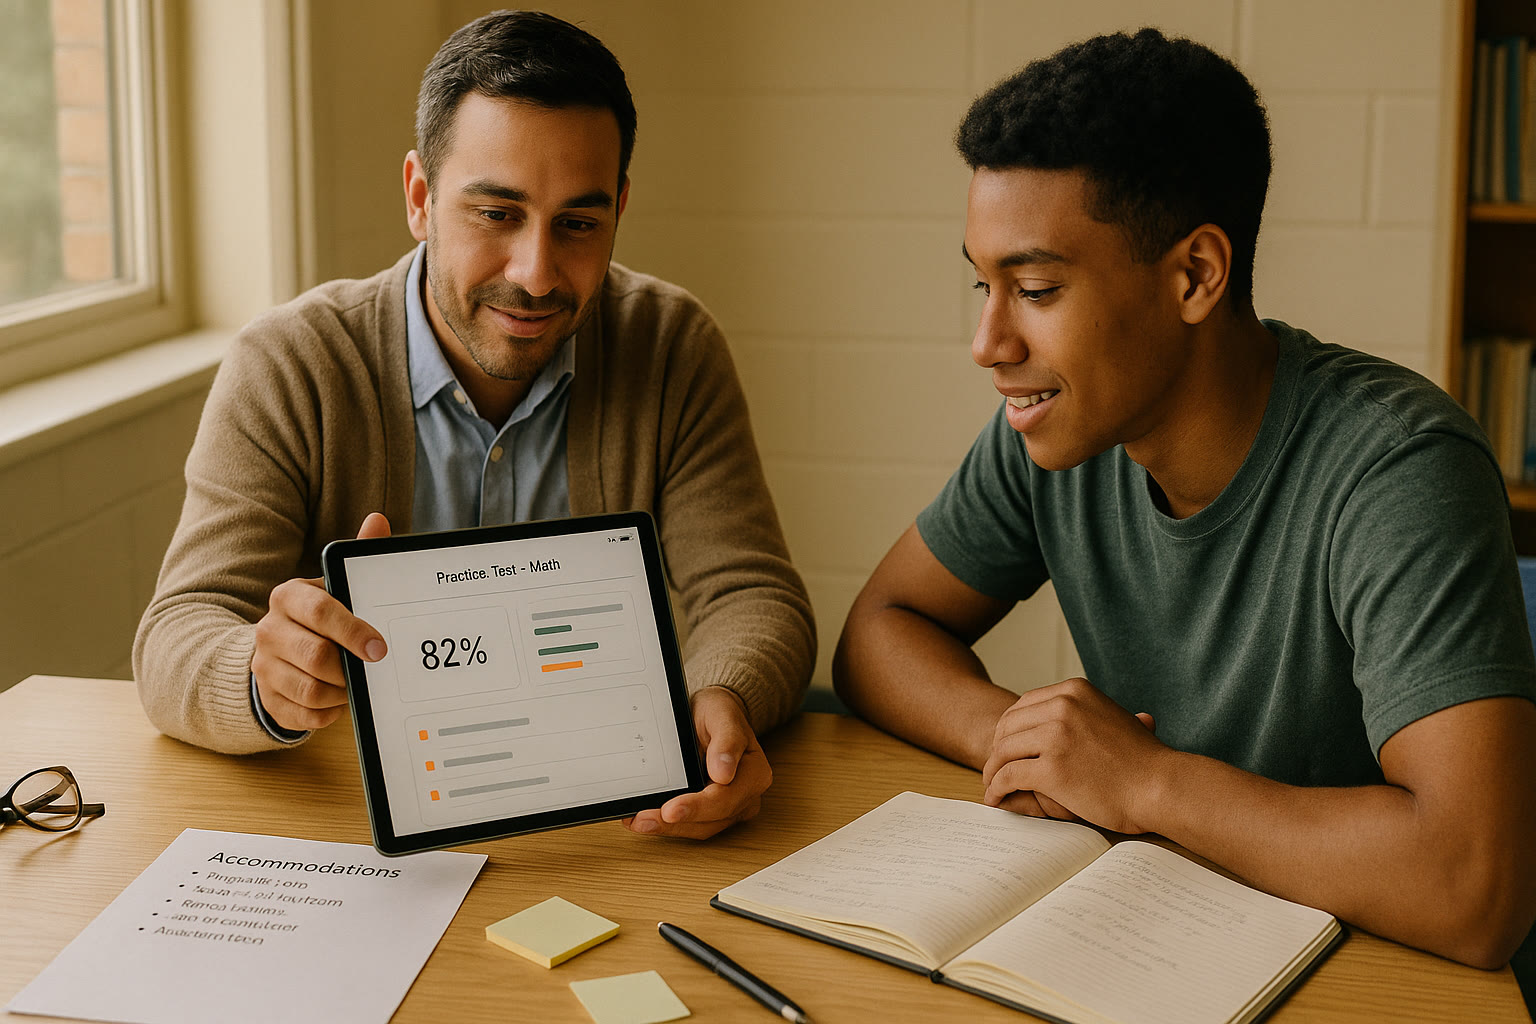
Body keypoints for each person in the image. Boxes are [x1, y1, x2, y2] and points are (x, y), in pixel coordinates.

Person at [833, 27, 1536, 986]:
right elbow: (880, 630)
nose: (988, 342)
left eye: (1035, 289)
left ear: (1196, 275)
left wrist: (1144, 781)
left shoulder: (1402, 469)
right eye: (982, 284)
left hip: (1373, 980)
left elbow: (1476, 888)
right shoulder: (1051, 433)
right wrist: (1022, 745)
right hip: (1163, 943)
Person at [133, 10, 814, 841]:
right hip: (360, 825)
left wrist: (722, 697)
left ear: (619, 210)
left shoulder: (671, 343)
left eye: (578, 224)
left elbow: (752, 594)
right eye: (496, 214)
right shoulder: (291, 363)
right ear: (420, 198)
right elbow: (177, 634)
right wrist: (262, 677)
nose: (535, 274)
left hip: (604, 825)